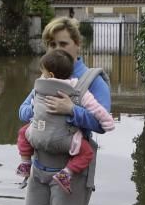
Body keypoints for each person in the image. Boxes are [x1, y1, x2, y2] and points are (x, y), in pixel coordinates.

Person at [19, 17, 112, 205]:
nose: (58, 49)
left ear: (77, 45)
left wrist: (73, 111)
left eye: (63, 43)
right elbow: (23, 112)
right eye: (52, 44)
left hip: (72, 169)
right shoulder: (47, 77)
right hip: (39, 166)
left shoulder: (91, 80)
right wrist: (39, 103)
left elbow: (103, 122)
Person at [16, 49, 115, 193]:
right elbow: (97, 109)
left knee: (23, 132)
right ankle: (66, 173)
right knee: (87, 152)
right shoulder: (75, 88)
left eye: (42, 72)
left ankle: (25, 162)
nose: (41, 75)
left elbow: (27, 109)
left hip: (38, 135)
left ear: (50, 74)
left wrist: (39, 109)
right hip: (65, 141)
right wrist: (108, 122)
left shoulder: (39, 86)